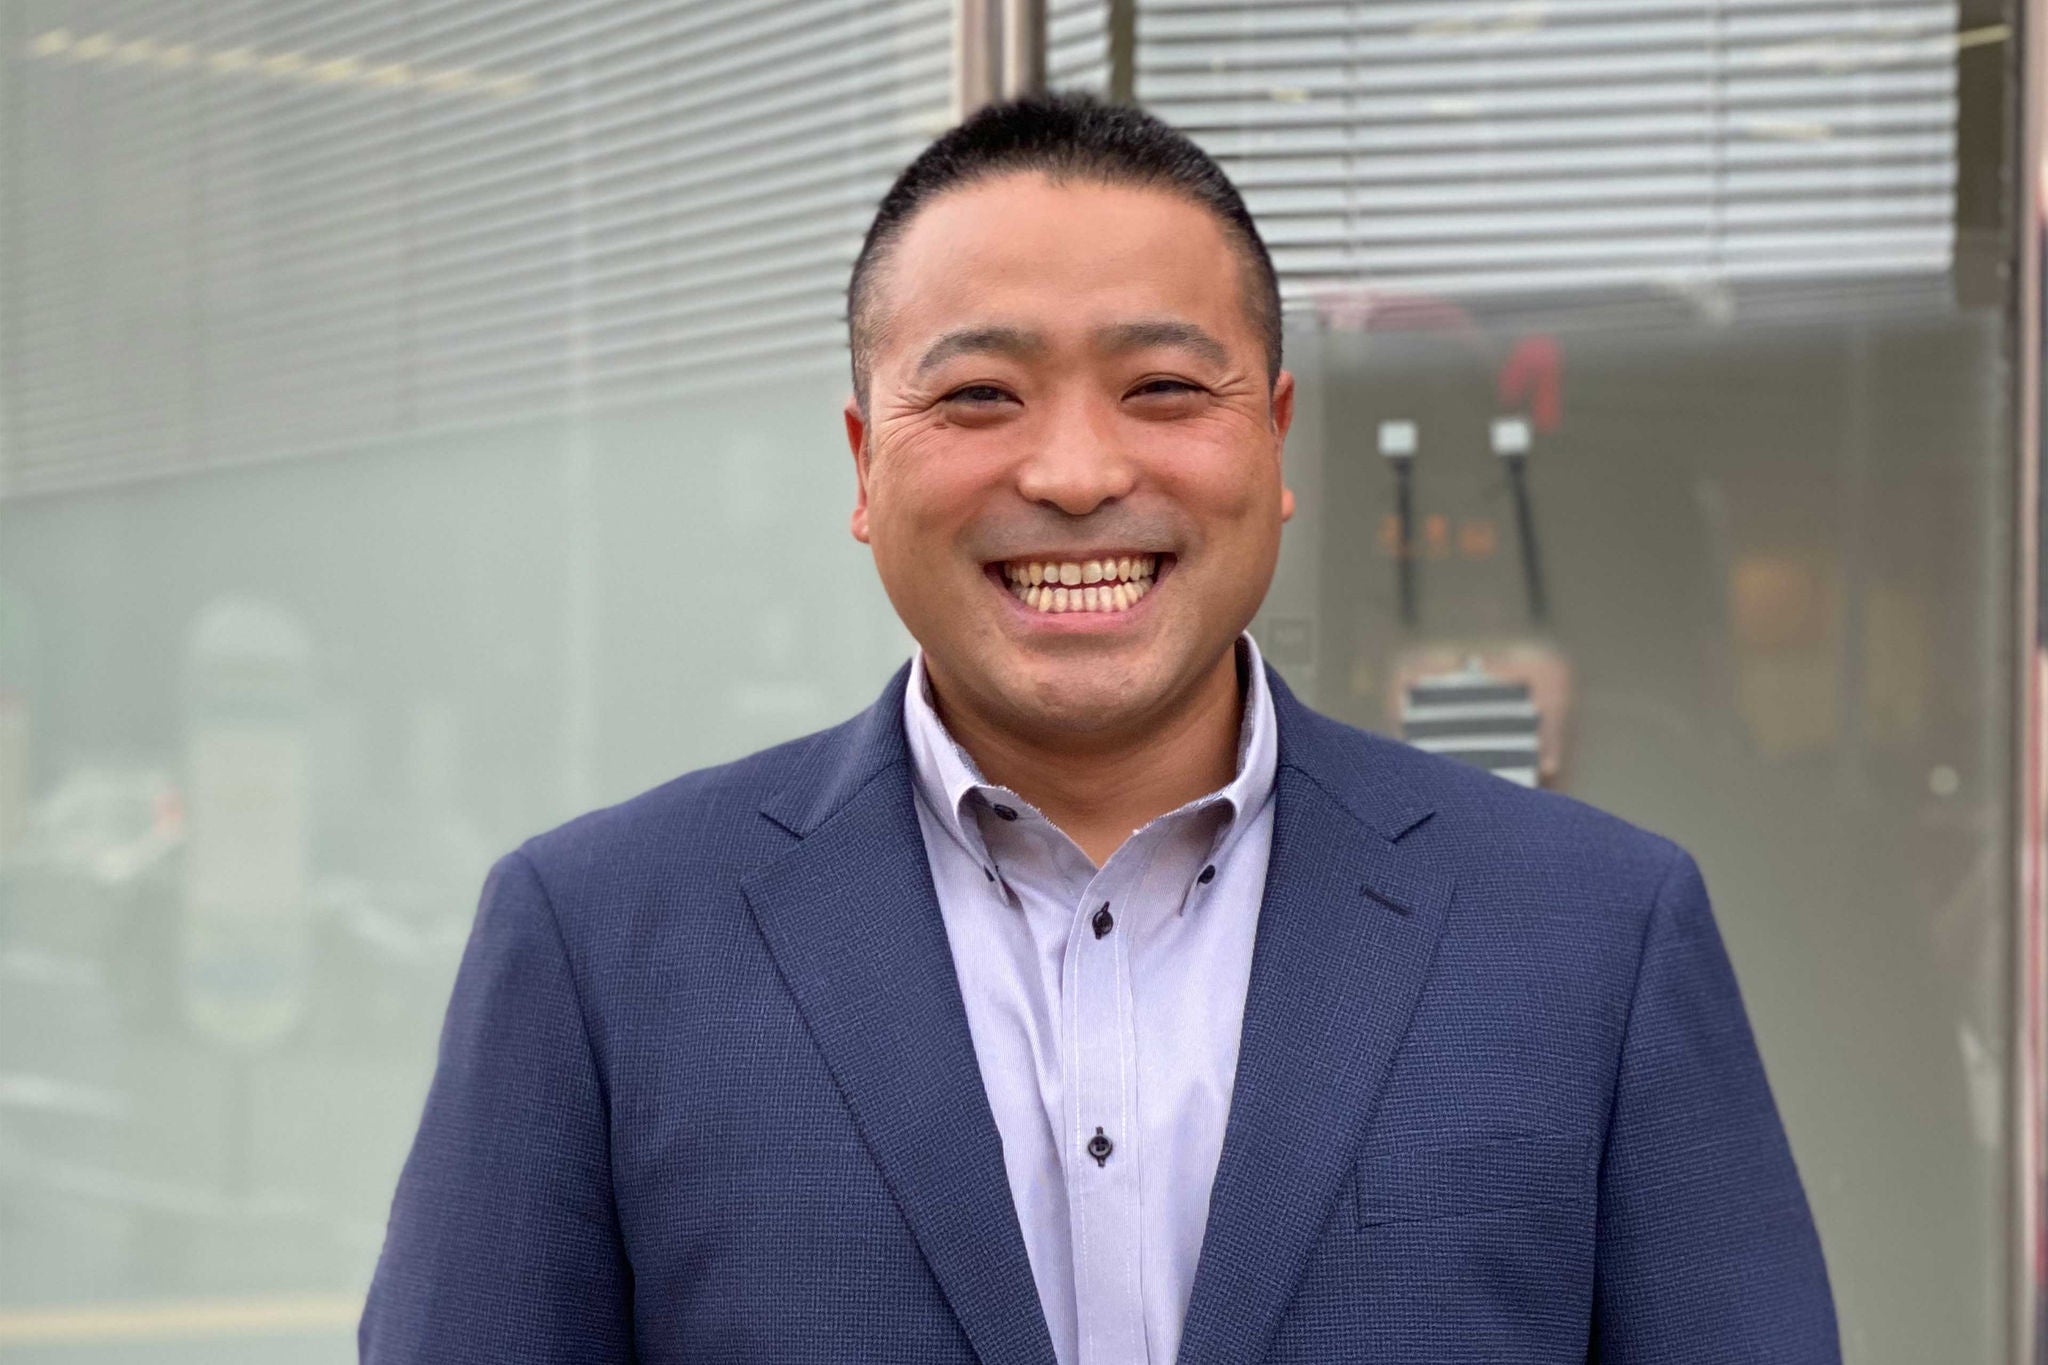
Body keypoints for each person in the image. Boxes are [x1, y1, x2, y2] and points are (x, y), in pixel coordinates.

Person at [360, 92, 1838, 1364]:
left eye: (1163, 388)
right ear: (866, 464)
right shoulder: (599, 943)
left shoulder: (1594, 934)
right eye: (981, 394)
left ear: (1276, 438)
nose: (1074, 472)